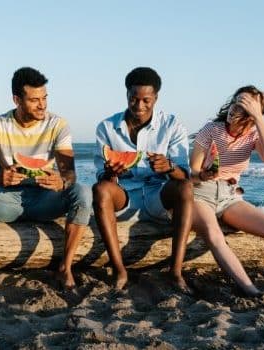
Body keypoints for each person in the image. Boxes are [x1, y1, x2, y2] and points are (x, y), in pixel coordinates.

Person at [0, 67, 92, 289]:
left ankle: (65, 267)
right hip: (7, 201)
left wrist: (62, 181)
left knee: (83, 192)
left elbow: (69, 172)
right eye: (34, 100)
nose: (42, 105)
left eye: (44, 98)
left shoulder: (57, 125)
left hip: (45, 200)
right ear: (17, 100)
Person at [190, 85, 264, 296]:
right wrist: (204, 175)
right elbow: (192, 172)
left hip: (229, 196)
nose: (235, 108)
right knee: (215, 235)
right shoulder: (212, 130)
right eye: (236, 101)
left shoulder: (253, 135)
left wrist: (259, 119)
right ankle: (252, 291)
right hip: (200, 192)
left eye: (245, 106)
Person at [92, 67, 194, 291]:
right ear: (127, 95)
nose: (139, 106)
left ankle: (175, 272)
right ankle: (120, 271)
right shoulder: (106, 127)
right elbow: (102, 176)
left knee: (185, 187)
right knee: (100, 189)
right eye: (133, 99)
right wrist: (111, 172)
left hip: (158, 195)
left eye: (146, 100)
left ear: (156, 97)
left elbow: (184, 174)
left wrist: (169, 167)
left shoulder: (172, 125)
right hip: (125, 196)